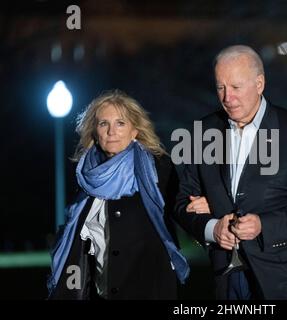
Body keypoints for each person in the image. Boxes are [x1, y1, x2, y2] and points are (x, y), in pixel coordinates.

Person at [174, 45, 287, 300]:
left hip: (284, 280)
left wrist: (264, 225)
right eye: (220, 87)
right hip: (225, 279)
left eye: (236, 87)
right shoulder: (202, 132)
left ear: (259, 84)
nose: (227, 97)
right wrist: (213, 228)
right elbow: (182, 202)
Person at [47, 90, 189, 299]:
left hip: (149, 290)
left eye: (120, 123)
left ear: (135, 131)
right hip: (99, 291)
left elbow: (182, 206)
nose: (111, 131)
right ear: (95, 131)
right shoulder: (85, 175)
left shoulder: (157, 168)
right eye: (104, 123)